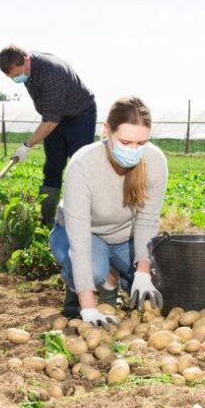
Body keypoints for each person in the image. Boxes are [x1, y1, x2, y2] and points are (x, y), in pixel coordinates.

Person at [49, 96, 167, 325]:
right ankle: (81, 290)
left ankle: (114, 276)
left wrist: (143, 271)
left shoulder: (155, 161)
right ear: (106, 130)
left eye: (141, 143)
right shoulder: (83, 164)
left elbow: (147, 221)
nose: (134, 151)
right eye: (125, 142)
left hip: (125, 238)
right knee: (92, 270)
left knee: (161, 281)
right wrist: (89, 309)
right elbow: (80, 236)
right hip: (82, 235)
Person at [0, 45, 96, 226]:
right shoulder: (27, 69)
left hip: (79, 115)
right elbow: (51, 117)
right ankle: (47, 220)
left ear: (26, 60)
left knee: (79, 168)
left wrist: (27, 146)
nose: (16, 79)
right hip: (55, 116)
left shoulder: (50, 73)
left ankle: (80, 221)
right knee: (52, 167)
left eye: (17, 75)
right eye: (12, 78)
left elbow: (51, 121)